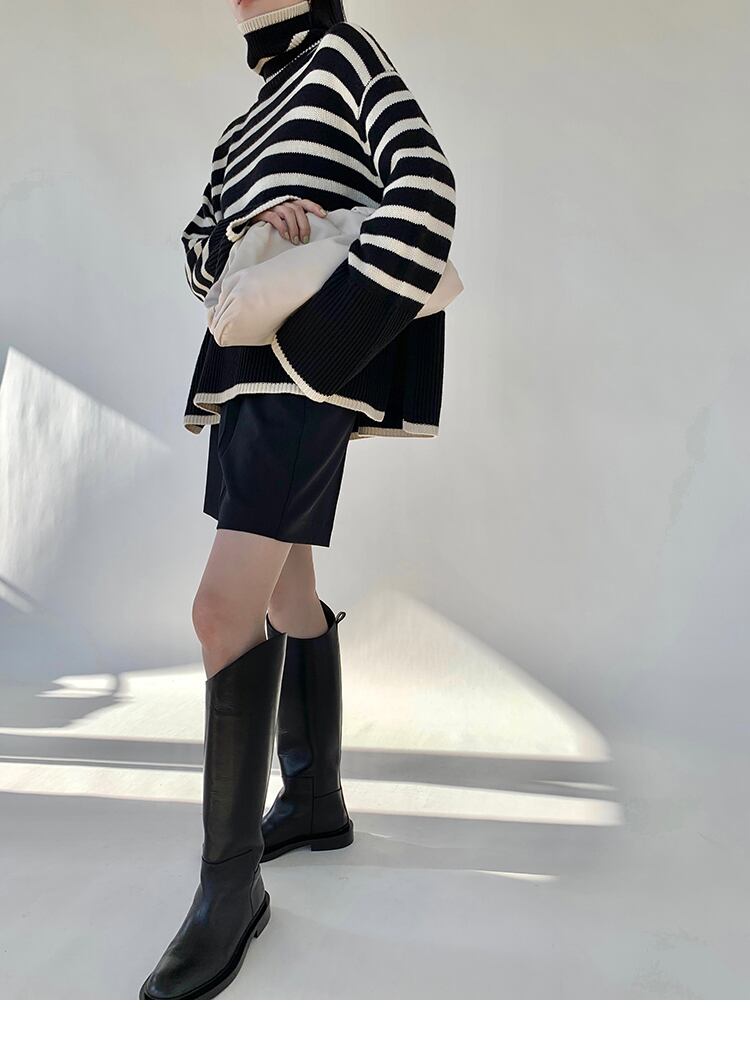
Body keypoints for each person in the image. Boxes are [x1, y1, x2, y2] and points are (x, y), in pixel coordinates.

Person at [139, 0, 457, 1000]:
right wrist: (251, 229)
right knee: (282, 592)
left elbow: (426, 191)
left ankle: (229, 888)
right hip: (246, 371)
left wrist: (329, 330)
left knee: (217, 609)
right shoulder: (245, 122)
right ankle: (315, 799)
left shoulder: (346, 53)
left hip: (301, 372)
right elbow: (198, 246)